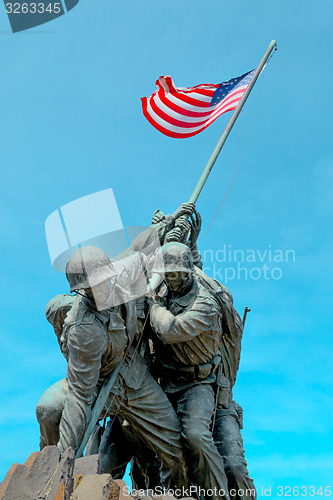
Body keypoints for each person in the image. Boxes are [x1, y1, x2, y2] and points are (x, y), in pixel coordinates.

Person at [36, 245, 188, 491]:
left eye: (101, 283)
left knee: (174, 445)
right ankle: (53, 467)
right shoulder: (82, 329)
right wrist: (64, 462)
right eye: (88, 289)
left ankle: (179, 494)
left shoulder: (125, 275)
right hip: (96, 384)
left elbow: (148, 256)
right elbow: (79, 398)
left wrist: (154, 283)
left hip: (134, 378)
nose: (97, 292)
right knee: (48, 409)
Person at [148, 242, 230, 500]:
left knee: (195, 434)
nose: (169, 280)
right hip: (164, 381)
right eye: (166, 274)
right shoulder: (164, 291)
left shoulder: (206, 303)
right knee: (155, 438)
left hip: (198, 383)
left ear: (188, 271)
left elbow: (171, 331)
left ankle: (219, 495)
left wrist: (151, 304)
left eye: (173, 274)